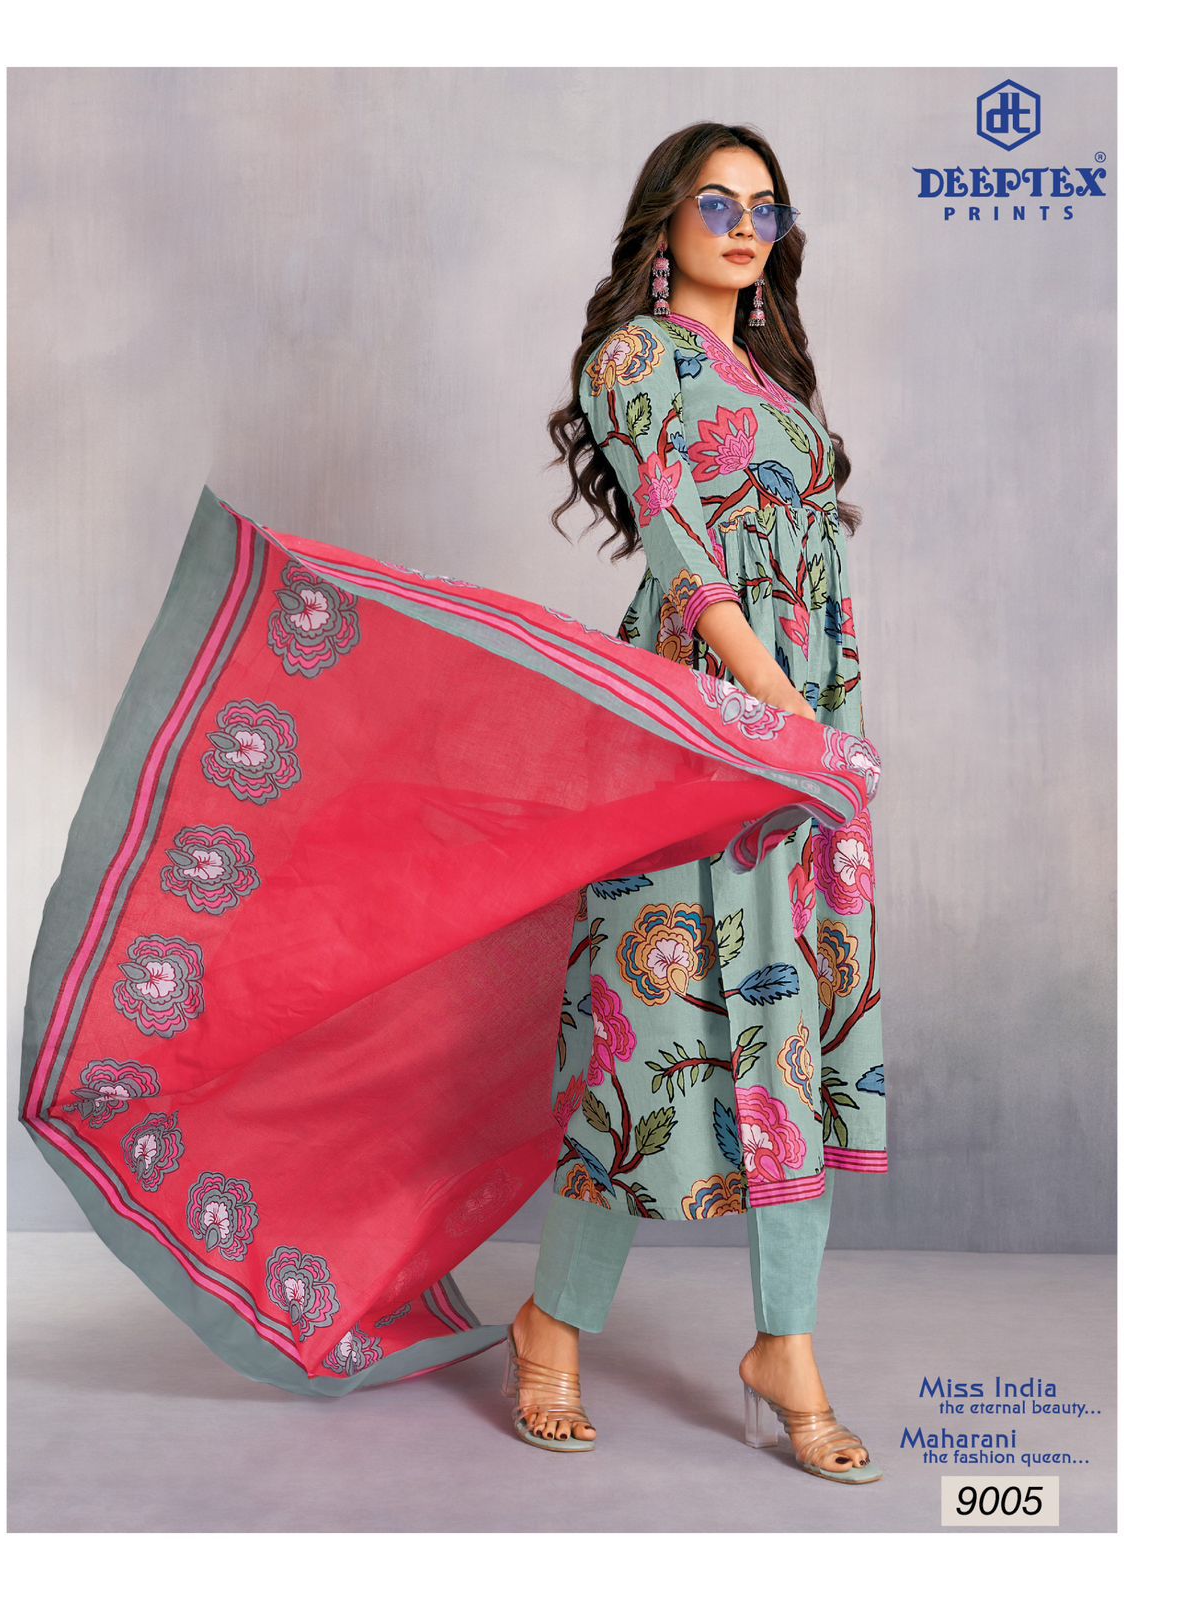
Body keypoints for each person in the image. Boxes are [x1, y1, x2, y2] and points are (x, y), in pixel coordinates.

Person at [501, 122, 887, 1484]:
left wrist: (815, 717)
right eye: (716, 202)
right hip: (692, 710)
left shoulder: (776, 379)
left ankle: (787, 1343)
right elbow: (673, 537)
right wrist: (767, 702)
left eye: (764, 207)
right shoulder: (632, 359)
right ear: (662, 222)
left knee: (795, 1027)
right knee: (644, 1034)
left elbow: (807, 555)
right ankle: (553, 1321)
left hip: (803, 714)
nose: (743, 226)